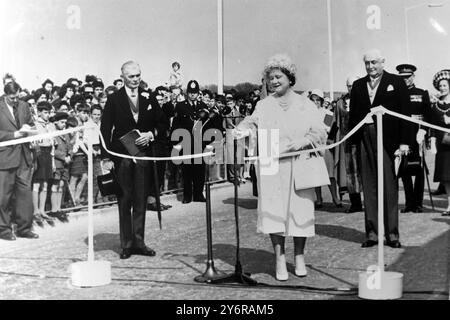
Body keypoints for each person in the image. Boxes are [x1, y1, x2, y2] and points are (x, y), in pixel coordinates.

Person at [232, 54, 327, 281]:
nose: (274, 81)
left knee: (300, 210)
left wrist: (304, 141)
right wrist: (242, 129)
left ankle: (300, 256)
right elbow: (251, 122)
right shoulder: (263, 105)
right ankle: (279, 257)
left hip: (299, 165)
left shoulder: (306, 103)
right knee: (274, 212)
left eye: (278, 76)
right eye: (270, 78)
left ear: (289, 77)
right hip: (272, 165)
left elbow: (320, 131)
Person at [100, 61, 166, 259]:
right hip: (123, 157)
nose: (136, 79)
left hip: (143, 156)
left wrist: (151, 134)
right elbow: (105, 129)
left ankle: (139, 242)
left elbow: (162, 123)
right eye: (131, 76)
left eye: (138, 75)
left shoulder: (149, 97)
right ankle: (126, 244)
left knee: (140, 199)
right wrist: (107, 157)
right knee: (125, 199)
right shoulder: (114, 99)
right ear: (122, 76)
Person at [348, 49, 409, 248]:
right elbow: (354, 116)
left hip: (388, 141)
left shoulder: (396, 82)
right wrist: (353, 141)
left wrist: (404, 143)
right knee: (369, 185)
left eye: (374, 62)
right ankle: (372, 233)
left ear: (383, 62)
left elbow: (405, 113)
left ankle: (392, 234)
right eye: (367, 63)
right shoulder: (358, 85)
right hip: (365, 138)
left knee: (389, 187)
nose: (371, 66)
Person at [0, 81, 39, 240]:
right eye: (12, 98)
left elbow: (30, 123)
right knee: (3, 196)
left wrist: (29, 129)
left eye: (17, 97)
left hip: (23, 156)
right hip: (5, 157)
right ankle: (4, 230)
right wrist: (13, 135)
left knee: (25, 194)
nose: (15, 100)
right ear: (5, 95)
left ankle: (24, 228)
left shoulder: (24, 106)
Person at [396, 64, 432, 213]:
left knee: (418, 168)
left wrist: (423, 131)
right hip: (402, 135)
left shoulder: (422, 93)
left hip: (417, 135)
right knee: (404, 169)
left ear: (413, 76)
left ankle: (418, 203)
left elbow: (428, 115)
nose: (406, 80)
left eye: (408, 77)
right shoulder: (395, 95)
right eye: (402, 77)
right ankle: (409, 202)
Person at [331, 77, 363, 213]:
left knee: (365, 173)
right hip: (347, 142)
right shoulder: (340, 103)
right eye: (349, 86)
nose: (351, 88)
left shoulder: (366, 100)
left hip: (363, 142)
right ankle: (355, 204)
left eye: (353, 85)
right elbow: (334, 122)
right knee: (350, 173)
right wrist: (329, 140)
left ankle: (371, 204)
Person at [309, 89, 342, 208]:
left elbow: (328, 129)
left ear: (322, 101)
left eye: (318, 100)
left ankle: (335, 198)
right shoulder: (306, 114)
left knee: (330, 175)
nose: (315, 102)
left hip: (325, 147)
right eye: (313, 100)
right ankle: (319, 199)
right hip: (312, 148)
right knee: (315, 175)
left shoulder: (327, 113)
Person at [32, 101, 56, 227]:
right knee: (36, 184)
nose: (47, 115)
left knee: (45, 184)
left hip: (48, 154)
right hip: (39, 153)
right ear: (39, 112)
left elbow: (52, 145)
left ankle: (42, 210)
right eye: (45, 112)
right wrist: (36, 157)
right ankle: (35, 211)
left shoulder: (51, 125)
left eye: (49, 112)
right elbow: (34, 143)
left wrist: (52, 161)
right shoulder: (35, 125)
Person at [429, 70, 450, 216]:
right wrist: (433, 142)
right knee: (446, 177)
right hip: (443, 146)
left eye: (445, 85)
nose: (442, 87)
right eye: (440, 85)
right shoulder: (435, 105)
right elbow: (431, 125)